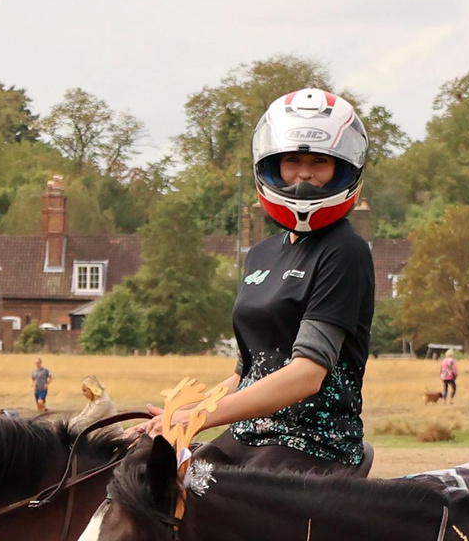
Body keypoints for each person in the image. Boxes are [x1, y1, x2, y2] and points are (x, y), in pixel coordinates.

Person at [152, 88, 376, 475]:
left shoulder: (345, 250)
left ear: (343, 169)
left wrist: (200, 419)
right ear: (271, 166)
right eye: (292, 161)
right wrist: (178, 415)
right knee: (149, 477)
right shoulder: (260, 255)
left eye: (319, 161)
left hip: (313, 443)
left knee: (207, 499)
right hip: (247, 436)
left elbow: (307, 374)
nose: (304, 174)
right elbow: (247, 373)